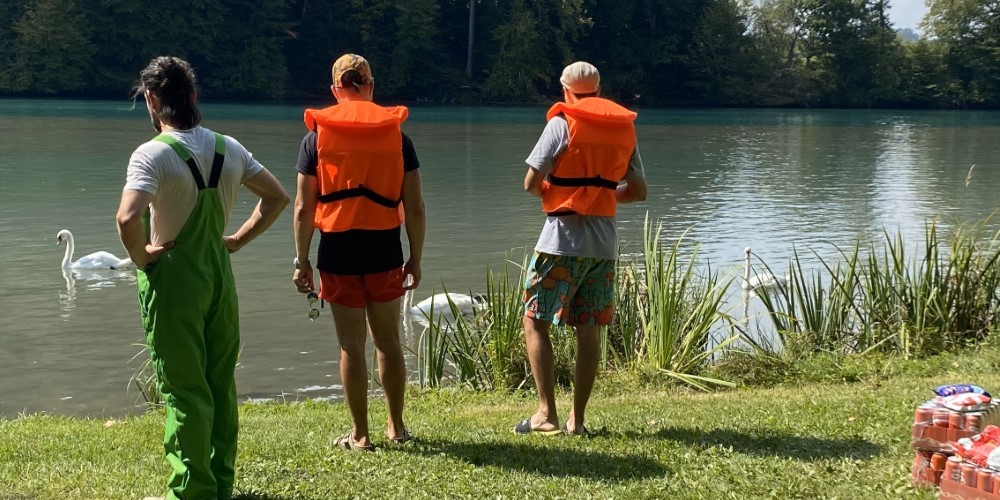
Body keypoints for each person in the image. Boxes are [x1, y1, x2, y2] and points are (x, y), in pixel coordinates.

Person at [116, 56, 289, 499]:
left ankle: (192, 491)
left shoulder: (151, 154)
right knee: (218, 383)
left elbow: (127, 217)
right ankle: (220, 483)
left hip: (173, 279)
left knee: (183, 389)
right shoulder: (229, 147)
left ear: (153, 100)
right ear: (193, 98)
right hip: (218, 275)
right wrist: (236, 241)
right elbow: (276, 196)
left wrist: (141, 256)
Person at [292, 53, 426, 451]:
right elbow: (415, 206)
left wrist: (302, 261)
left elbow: (303, 208)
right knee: (387, 343)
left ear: (335, 91)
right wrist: (415, 257)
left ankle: (360, 435)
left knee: (351, 345)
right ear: (370, 87)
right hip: (385, 249)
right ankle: (396, 428)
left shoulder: (315, 139)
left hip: (337, 252)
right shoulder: (398, 137)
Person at [516, 61, 647, 436]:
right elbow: (638, 191)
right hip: (603, 247)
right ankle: (578, 420)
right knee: (588, 330)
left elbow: (530, 182)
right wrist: (601, 195)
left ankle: (546, 414)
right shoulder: (625, 129)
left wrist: (563, 194)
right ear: (599, 90)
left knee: (535, 321)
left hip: (560, 243)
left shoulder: (561, 124)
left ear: (565, 91)